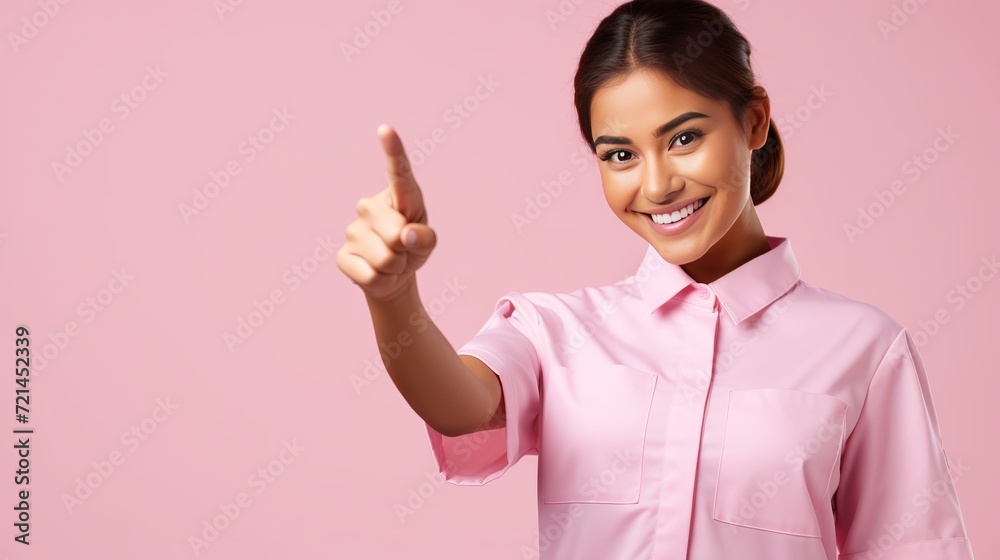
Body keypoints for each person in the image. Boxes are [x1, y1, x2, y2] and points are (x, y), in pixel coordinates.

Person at [336, 0, 975, 558]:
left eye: (684, 137)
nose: (657, 184)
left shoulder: (864, 349)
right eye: (620, 154)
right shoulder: (553, 331)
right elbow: (460, 407)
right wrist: (394, 299)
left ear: (752, 122)